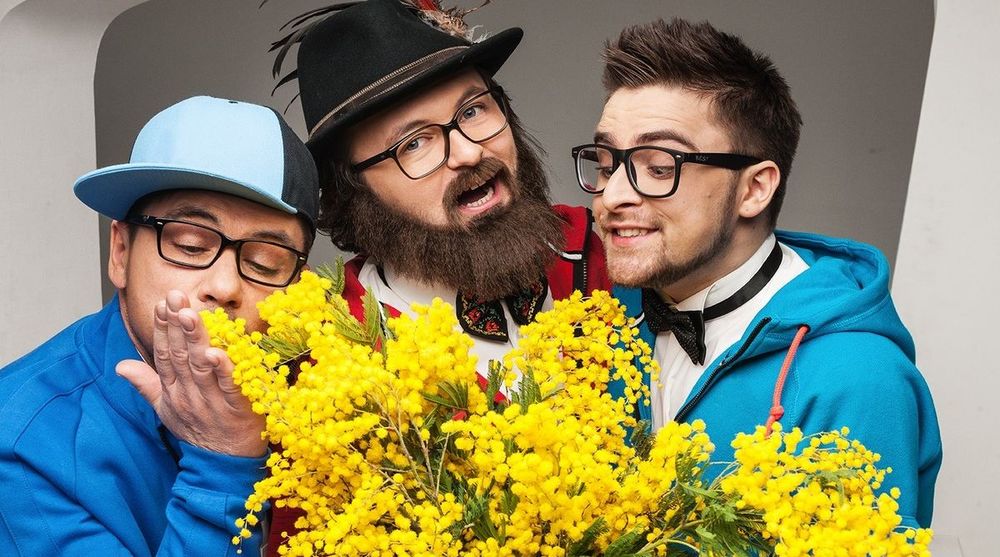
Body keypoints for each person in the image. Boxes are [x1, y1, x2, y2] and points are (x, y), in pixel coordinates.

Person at [263, 0, 609, 549]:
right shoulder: (323, 367)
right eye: (415, 144)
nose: (469, 152)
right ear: (353, 191)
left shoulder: (609, 250)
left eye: (473, 111)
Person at [580, 19, 941, 528]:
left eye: (659, 167)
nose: (612, 196)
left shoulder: (858, 380)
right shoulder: (600, 330)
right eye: (604, 164)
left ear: (754, 190)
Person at [0, 96, 320, 556]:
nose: (224, 286)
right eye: (190, 245)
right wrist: (223, 462)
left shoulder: (324, 396)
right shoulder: (20, 445)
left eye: (265, 262)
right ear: (121, 253)